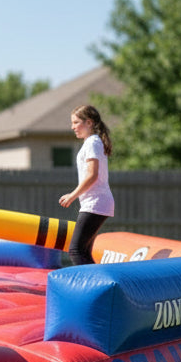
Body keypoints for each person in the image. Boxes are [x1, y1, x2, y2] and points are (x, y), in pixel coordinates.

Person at [58, 104, 115, 265]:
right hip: (96, 203)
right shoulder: (92, 142)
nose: (73, 127)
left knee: (75, 250)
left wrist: (72, 195)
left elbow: (92, 174)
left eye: (76, 122)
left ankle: (92, 287)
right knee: (82, 251)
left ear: (89, 123)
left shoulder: (92, 142)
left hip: (95, 203)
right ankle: (97, 284)